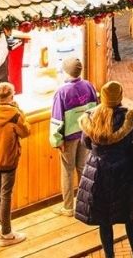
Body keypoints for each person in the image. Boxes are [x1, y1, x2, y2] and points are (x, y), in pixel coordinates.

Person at [76, 81, 133, 258]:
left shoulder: (91, 117)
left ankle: (109, 255)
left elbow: (86, 143)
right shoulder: (128, 117)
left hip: (98, 172)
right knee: (130, 216)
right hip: (124, 170)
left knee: (104, 220)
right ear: (120, 96)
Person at [0, 82, 31, 243]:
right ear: (12, 96)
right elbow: (25, 132)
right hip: (8, 159)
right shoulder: (15, 115)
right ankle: (6, 233)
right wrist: (19, 110)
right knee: (5, 195)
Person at [49, 56, 98, 218]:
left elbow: (57, 119)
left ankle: (68, 207)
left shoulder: (62, 92)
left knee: (67, 171)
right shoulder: (89, 86)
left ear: (65, 71)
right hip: (86, 133)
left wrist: (57, 140)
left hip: (69, 138)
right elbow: (96, 108)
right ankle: (88, 202)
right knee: (83, 168)